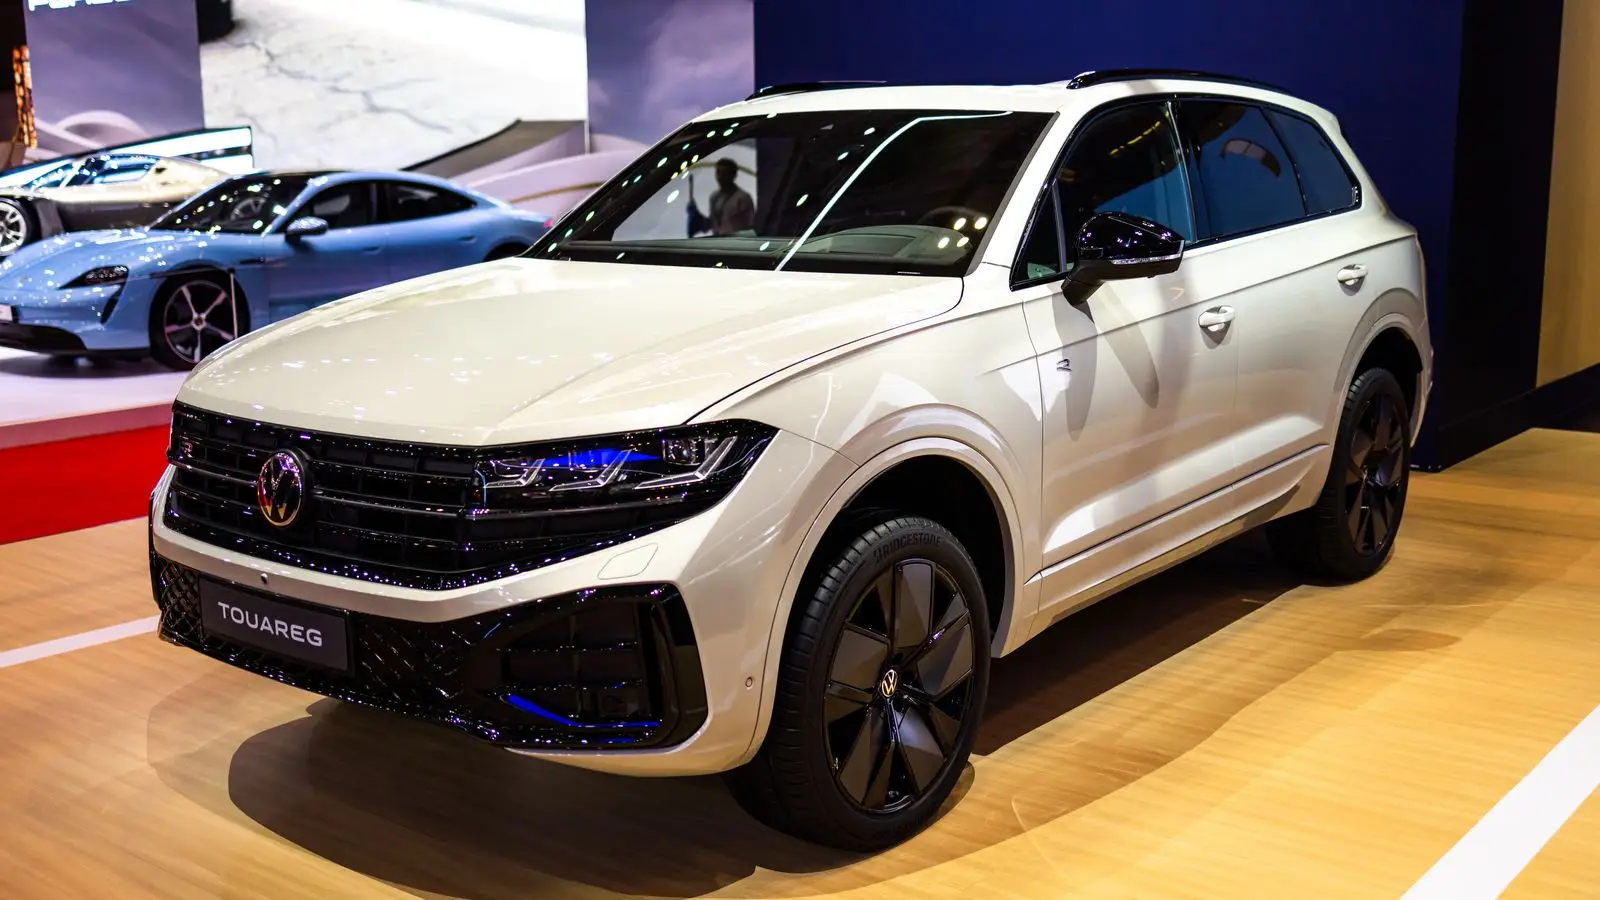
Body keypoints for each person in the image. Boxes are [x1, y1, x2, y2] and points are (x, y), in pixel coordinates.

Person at [707, 158, 755, 235]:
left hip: (736, 240)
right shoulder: (714, 197)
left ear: (733, 175)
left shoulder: (743, 198)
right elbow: (713, 222)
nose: (720, 176)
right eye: (718, 172)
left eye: (724, 173)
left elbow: (749, 225)